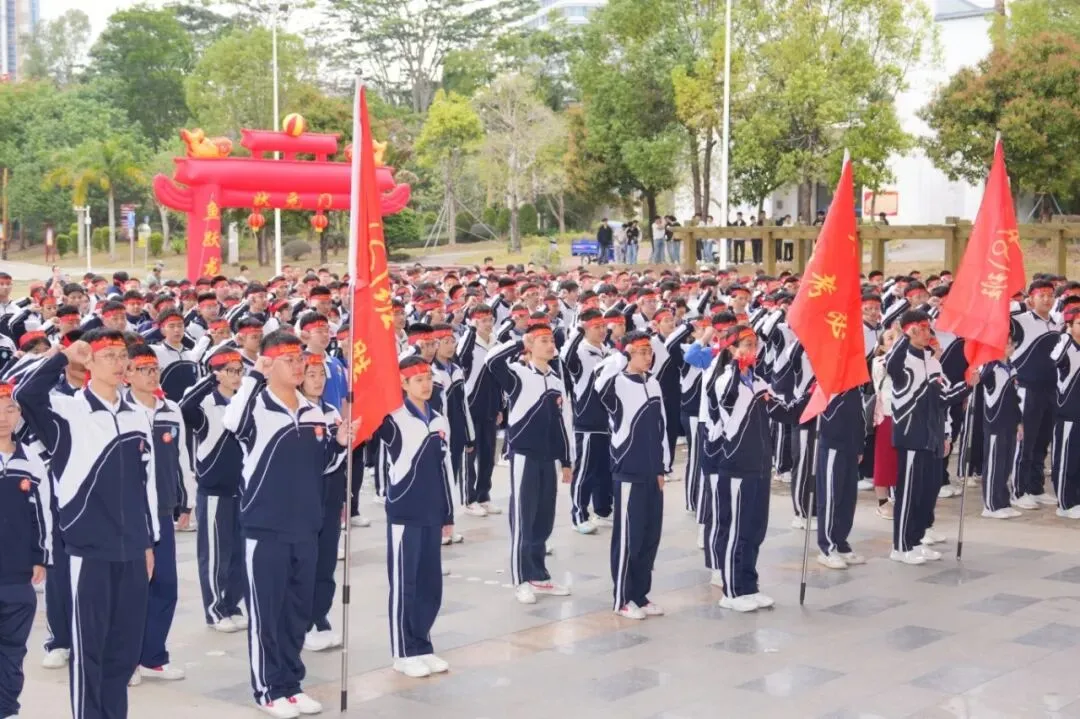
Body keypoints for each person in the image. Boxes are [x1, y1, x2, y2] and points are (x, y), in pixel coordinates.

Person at [14, 330, 158, 719]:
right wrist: (64, 354)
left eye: (121, 354)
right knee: (90, 651)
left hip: (131, 551)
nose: (117, 361)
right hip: (89, 552)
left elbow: (145, 488)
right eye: (106, 354)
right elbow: (25, 395)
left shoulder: (138, 416)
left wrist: (147, 542)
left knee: (123, 652)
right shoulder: (67, 412)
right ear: (88, 363)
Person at [223, 330, 352, 718]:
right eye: (290, 360)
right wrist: (252, 376)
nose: (300, 366)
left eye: (302, 360)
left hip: (306, 528)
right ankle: (267, 689)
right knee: (268, 613)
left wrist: (341, 444)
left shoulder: (313, 412)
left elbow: (324, 466)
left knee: (297, 611)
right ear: (269, 364)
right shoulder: (257, 406)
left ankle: (291, 684)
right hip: (266, 528)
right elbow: (232, 422)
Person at [370, 356, 455, 678]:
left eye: (428, 377)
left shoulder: (439, 420)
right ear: (403, 384)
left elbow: (444, 470)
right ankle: (402, 651)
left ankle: (422, 644)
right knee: (405, 584)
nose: (425, 383)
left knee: (429, 584)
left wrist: (448, 513)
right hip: (405, 512)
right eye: (417, 378)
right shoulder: (392, 419)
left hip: (433, 512)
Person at [484, 322, 574, 605]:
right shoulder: (518, 374)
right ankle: (520, 578)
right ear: (531, 345)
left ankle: (539, 575)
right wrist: (519, 342)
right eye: (543, 340)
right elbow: (491, 361)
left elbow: (561, 424)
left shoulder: (556, 379)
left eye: (551, 340)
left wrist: (567, 460)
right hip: (524, 454)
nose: (550, 345)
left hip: (549, 458)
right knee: (524, 516)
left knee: (543, 517)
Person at [124, 344, 195, 686]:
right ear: (127, 374)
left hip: (164, 509)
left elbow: (182, 457)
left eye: (154, 369)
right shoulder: (121, 411)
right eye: (143, 369)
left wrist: (187, 499)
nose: (151, 375)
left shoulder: (171, 409)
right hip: (129, 514)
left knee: (165, 584)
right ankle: (127, 660)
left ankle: (153, 656)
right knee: (133, 588)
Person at [704, 324, 787, 612]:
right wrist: (737, 367)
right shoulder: (725, 379)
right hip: (736, 466)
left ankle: (749, 585)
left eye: (754, 345)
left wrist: (816, 398)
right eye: (746, 345)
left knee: (755, 530)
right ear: (731, 349)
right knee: (736, 531)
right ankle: (732, 590)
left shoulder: (760, 382)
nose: (752, 350)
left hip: (760, 466)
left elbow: (784, 410)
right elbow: (725, 397)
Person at [595, 331, 668, 620]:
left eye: (649, 351)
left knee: (650, 537)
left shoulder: (654, 382)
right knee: (629, 537)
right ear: (627, 354)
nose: (647, 356)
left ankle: (641, 594)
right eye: (640, 351)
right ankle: (623, 597)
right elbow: (598, 384)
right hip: (628, 471)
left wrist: (662, 466)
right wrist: (619, 358)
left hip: (653, 472)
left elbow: (662, 428)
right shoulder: (617, 384)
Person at [179, 346, 248, 634]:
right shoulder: (206, 403)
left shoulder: (246, 402)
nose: (236, 376)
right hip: (215, 489)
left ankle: (232, 604)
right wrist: (209, 379)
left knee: (239, 554)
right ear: (218, 373)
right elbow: (185, 407)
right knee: (216, 554)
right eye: (230, 371)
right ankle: (215, 609)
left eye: (239, 370)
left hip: (243, 488)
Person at [886, 311, 955, 566]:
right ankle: (900, 545)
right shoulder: (902, 358)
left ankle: (916, 540)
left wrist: (969, 384)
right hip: (911, 437)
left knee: (928, 492)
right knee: (909, 493)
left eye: (929, 328)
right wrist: (904, 338)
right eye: (922, 328)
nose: (927, 333)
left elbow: (945, 399)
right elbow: (891, 364)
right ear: (910, 330)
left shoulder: (933, 362)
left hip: (932, 437)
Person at [0, 381, 51, 719]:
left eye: (9, 409)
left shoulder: (30, 459)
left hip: (17, 572)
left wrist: (41, 556)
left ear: (20, 414)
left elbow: (43, 511)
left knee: (12, 650)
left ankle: (7, 709)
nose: (4, 417)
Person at [297, 354, 347, 652]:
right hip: (305, 497)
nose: (318, 380)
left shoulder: (331, 413)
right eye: (311, 374)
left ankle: (320, 615)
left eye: (321, 375)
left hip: (329, 496)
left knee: (326, 560)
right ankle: (301, 621)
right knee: (305, 561)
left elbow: (340, 463)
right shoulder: (299, 413)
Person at [560, 308, 613, 534]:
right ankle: (578, 514)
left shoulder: (608, 352)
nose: (601, 331)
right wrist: (578, 332)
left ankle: (602, 511)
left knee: (605, 470)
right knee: (585, 470)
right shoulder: (580, 352)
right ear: (585, 328)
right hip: (588, 421)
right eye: (595, 327)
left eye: (603, 326)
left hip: (608, 421)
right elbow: (565, 356)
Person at [1011, 280, 1062, 509]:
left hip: (1051, 390)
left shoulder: (1056, 324)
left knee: (1042, 442)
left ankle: (1035, 486)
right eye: (1041, 295)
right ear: (1030, 298)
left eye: (1050, 295)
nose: (1047, 299)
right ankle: (1018, 490)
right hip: (1026, 389)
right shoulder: (1019, 322)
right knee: (1025, 441)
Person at [979, 336, 1023, 519]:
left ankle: (1003, 501)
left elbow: (1015, 399)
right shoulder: (991, 367)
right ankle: (990, 504)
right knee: (994, 463)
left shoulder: (1011, 368)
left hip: (1010, 423)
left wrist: (1019, 422)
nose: (1009, 346)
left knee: (1005, 464)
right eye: (1005, 343)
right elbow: (983, 377)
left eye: (1011, 343)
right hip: (994, 423)